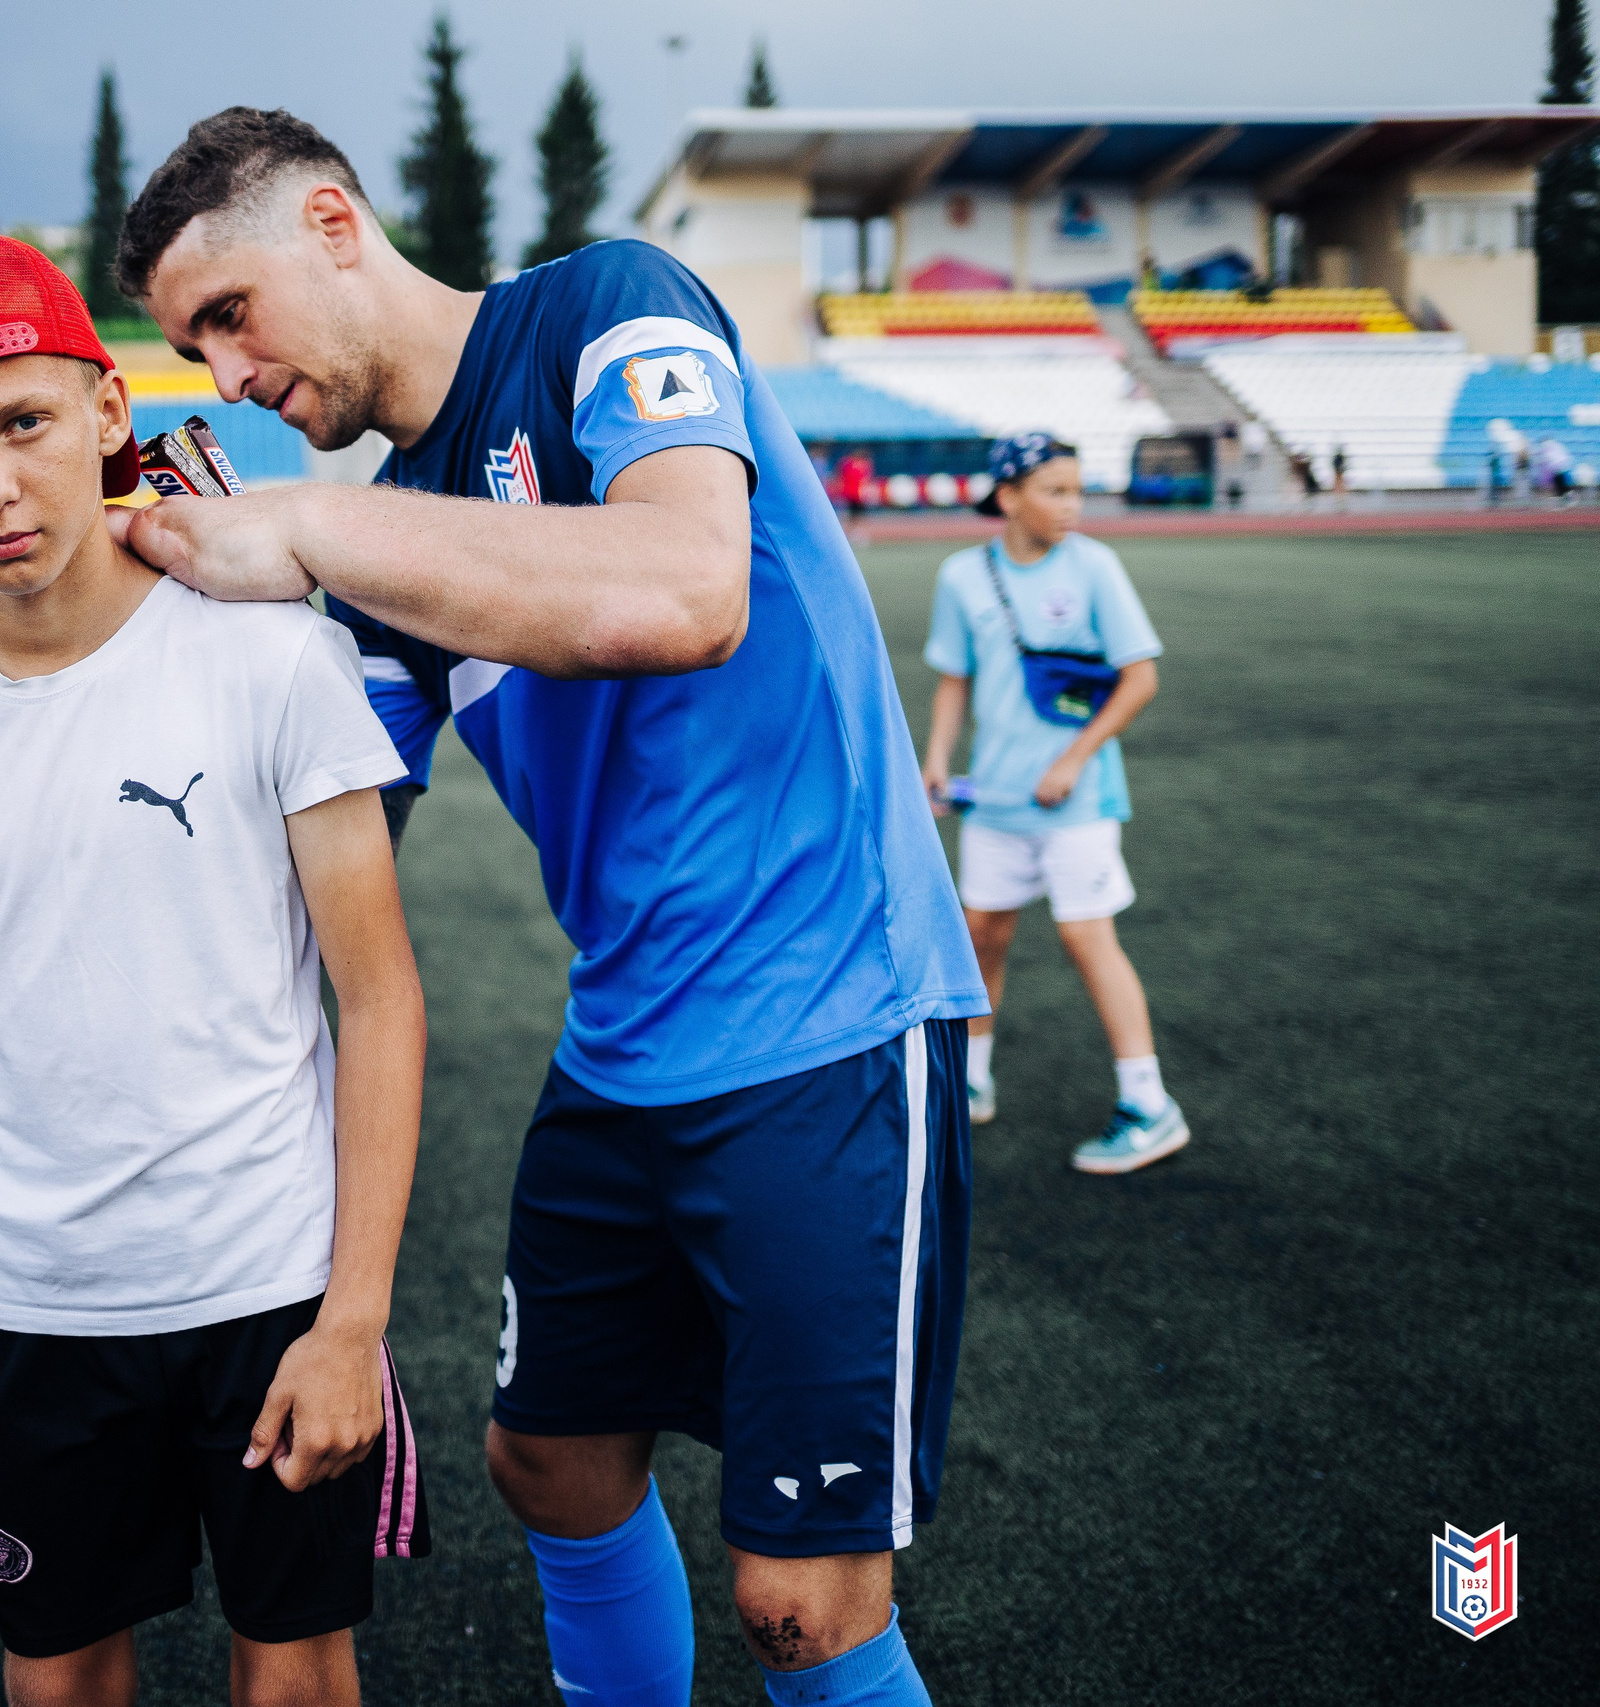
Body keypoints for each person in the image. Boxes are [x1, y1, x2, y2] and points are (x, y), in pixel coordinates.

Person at [112, 109, 982, 1707]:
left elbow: (684, 589)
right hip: (623, 1045)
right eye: (189, 349)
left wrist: (305, 529)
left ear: (330, 222)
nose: (225, 376)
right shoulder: (391, 533)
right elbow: (324, 824)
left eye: (227, 316)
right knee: (548, 1461)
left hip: (828, 1024)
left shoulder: (608, 303)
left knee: (800, 1602)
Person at [0, 228, 431, 1707]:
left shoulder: (268, 655)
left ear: (107, 410)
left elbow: (380, 996)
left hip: (268, 1280)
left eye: (24, 423)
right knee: (59, 1678)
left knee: (294, 1674)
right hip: (30, 1304)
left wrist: (353, 1319)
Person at [918, 433, 1185, 1174]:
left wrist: (1072, 759)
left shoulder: (1094, 566)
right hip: (997, 799)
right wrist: (938, 757)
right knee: (983, 935)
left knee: (1086, 936)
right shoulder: (962, 576)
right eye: (1056, 490)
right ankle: (970, 1081)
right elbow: (954, 677)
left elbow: (1140, 678)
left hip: (1078, 799)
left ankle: (1150, 1105)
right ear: (1008, 497)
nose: (1073, 505)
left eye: (1078, 489)